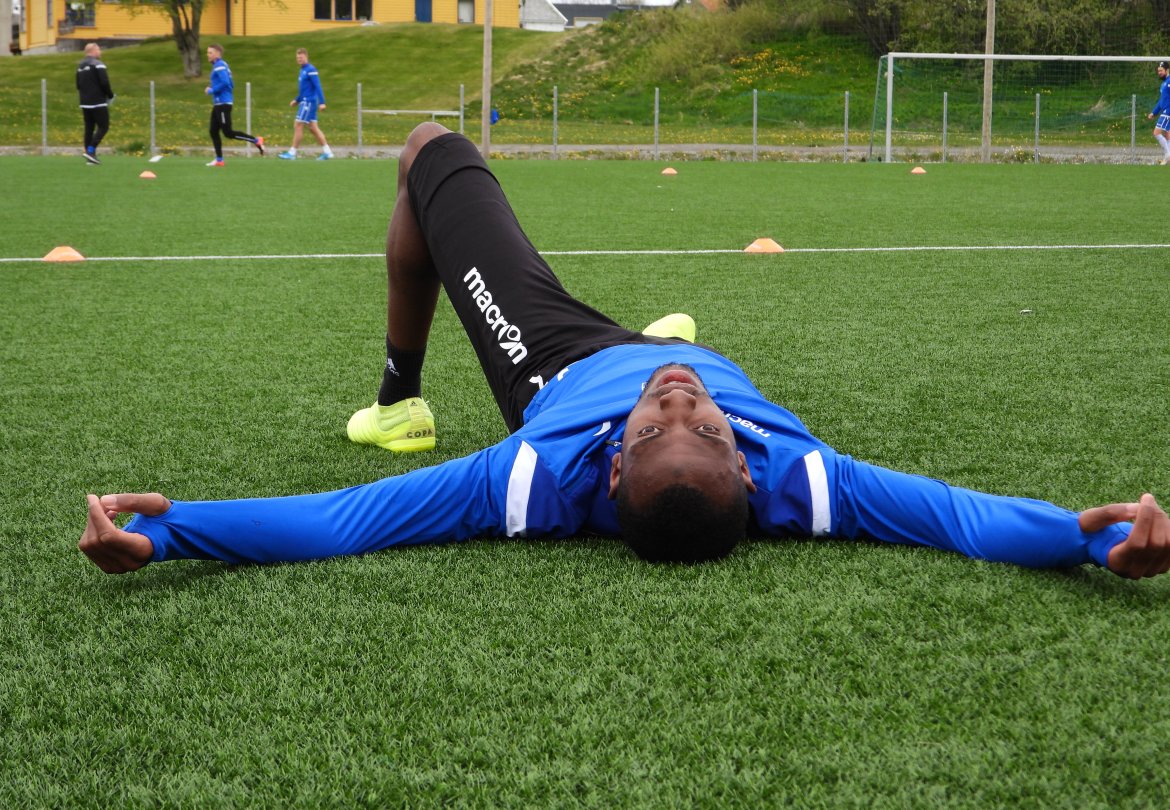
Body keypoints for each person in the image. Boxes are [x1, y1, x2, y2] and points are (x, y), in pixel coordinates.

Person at [80, 124, 1170, 581]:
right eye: (706, 425)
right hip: (629, 347)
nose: (681, 402)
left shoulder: (533, 472)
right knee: (669, 345)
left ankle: (399, 396)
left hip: (557, 365)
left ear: (610, 465)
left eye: (658, 427)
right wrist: (1088, 542)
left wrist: (169, 535)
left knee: (428, 151)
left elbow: (343, 522)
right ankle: (657, 327)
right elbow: (955, 518)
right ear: (747, 466)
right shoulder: (804, 479)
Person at [204, 43, 266, 167]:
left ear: (217, 54)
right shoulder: (222, 65)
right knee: (213, 131)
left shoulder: (219, 66)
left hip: (223, 104)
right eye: (208, 52)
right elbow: (231, 84)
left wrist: (212, 90)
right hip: (219, 103)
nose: (208, 55)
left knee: (228, 132)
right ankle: (219, 160)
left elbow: (226, 83)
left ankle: (256, 140)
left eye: (210, 52)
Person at [278, 48, 334, 161]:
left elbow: (317, 86)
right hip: (305, 101)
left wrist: (322, 102)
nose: (299, 59)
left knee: (298, 125)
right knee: (313, 128)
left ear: (306, 57)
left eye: (301, 57)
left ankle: (292, 153)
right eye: (298, 57)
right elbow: (304, 89)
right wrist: (297, 100)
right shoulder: (302, 70)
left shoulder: (311, 69)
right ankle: (328, 152)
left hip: (308, 102)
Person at [76, 42, 114, 165]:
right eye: (98, 49)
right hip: (98, 101)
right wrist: (110, 95)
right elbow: (104, 82)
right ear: (93, 51)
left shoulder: (80, 66)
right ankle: (91, 150)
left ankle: (90, 158)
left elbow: (78, 84)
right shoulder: (98, 64)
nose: (100, 52)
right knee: (103, 127)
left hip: (85, 102)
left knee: (89, 128)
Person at [1148, 60, 1170, 165]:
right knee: (1167, 134)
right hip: (1165, 111)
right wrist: (1154, 112)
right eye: (1158, 71)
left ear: (1167, 70)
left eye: (1161, 70)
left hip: (1168, 112)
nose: (1159, 73)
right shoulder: (1163, 84)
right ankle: (1167, 159)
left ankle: (1168, 155)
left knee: (1156, 133)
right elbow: (1161, 101)